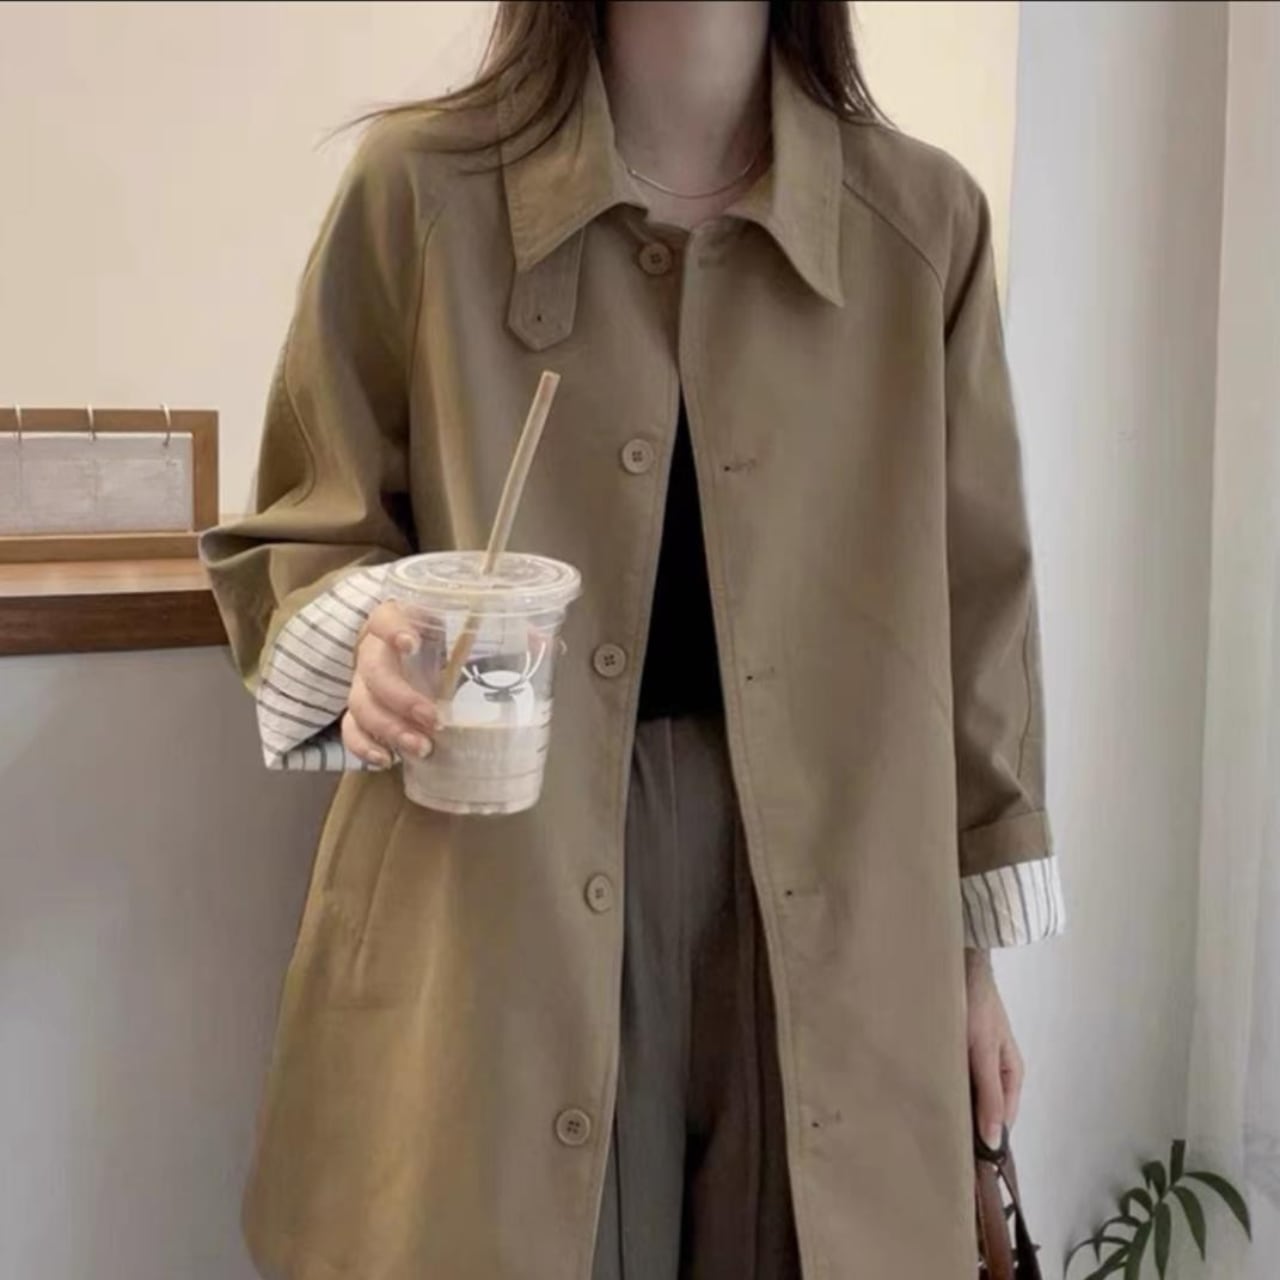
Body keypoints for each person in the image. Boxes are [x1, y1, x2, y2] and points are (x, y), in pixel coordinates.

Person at [202, 2, 1065, 1277]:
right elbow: (307, 523)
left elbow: (978, 606)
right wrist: (369, 632)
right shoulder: (421, 192)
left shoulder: (920, 226)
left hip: (833, 884)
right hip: (498, 882)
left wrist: (968, 963)